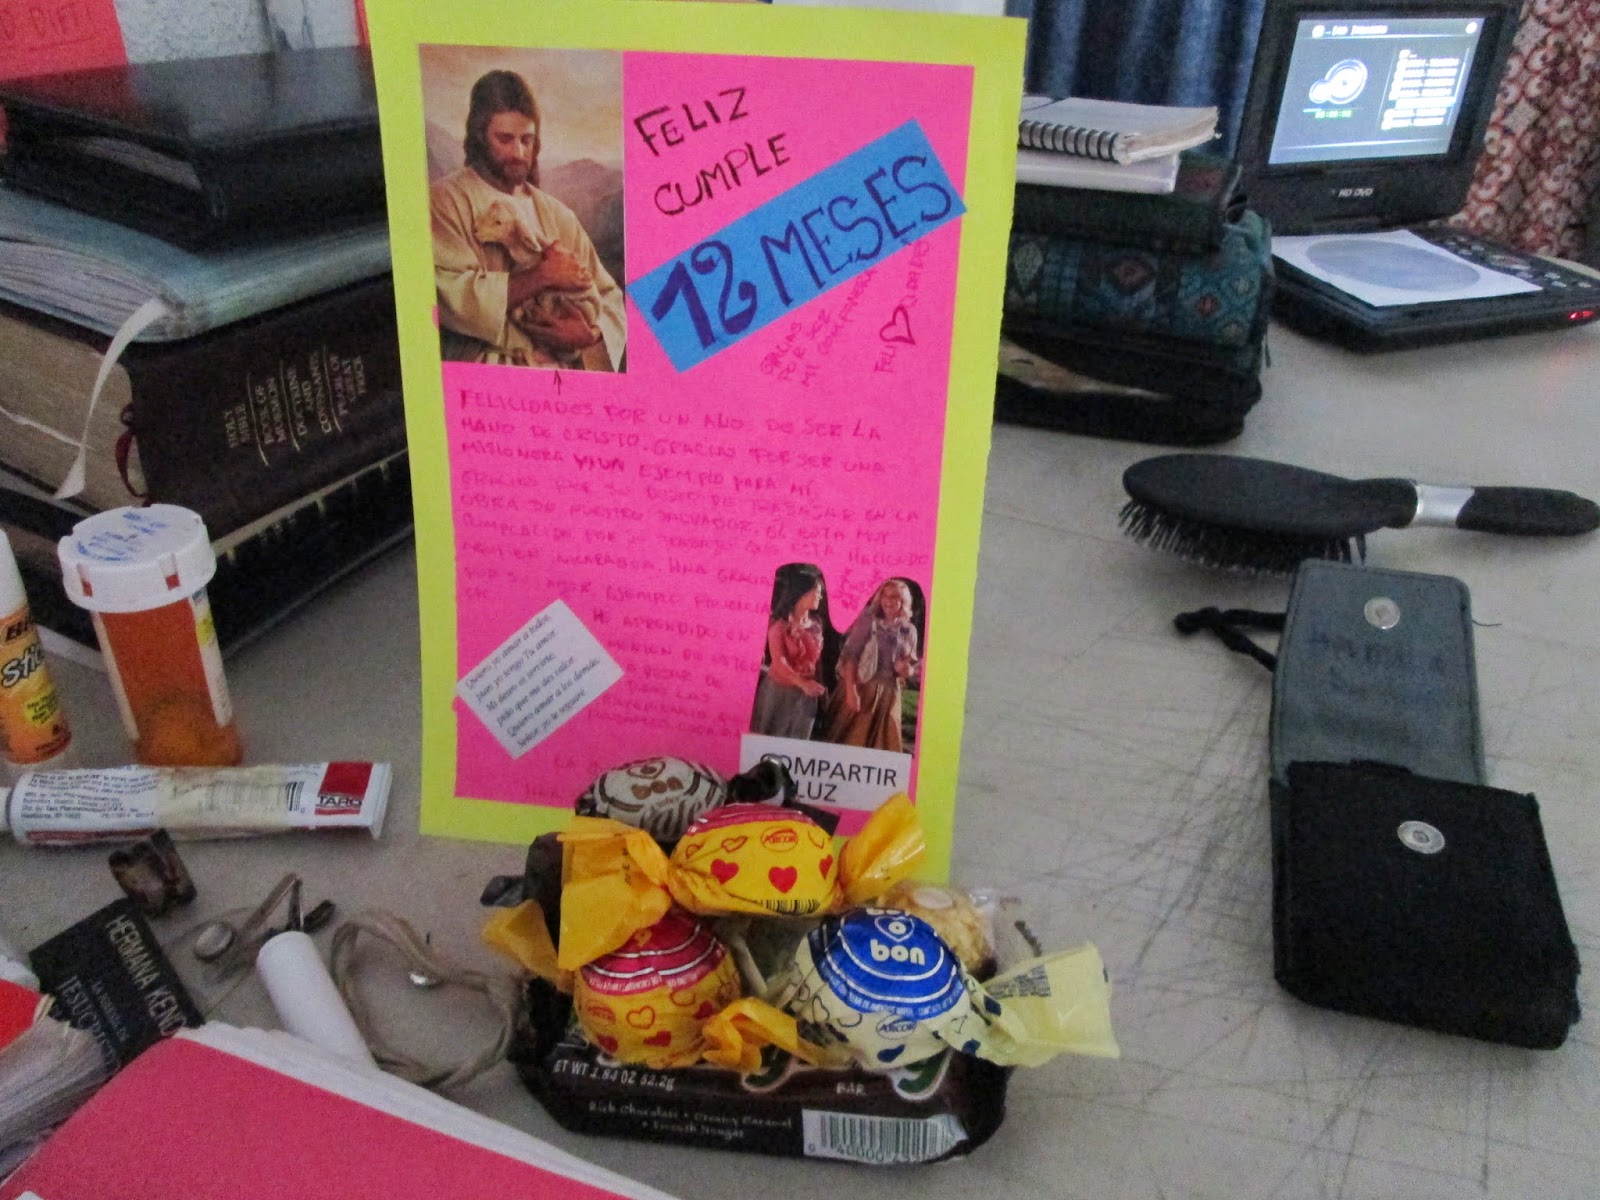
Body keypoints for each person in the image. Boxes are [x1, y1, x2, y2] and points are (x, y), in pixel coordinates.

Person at [430, 70, 626, 370]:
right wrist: (543, 275)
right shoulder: (445, 201)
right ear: (480, 136)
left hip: (560, 375)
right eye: (505, 139)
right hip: (486, 374)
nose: (518, 153)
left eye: (527, 140)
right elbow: (450, 297)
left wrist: (589, 335)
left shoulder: (557, 214)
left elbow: (608, 295)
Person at [821, 578, 921, 752]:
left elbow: (909, 665)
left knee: (884, 744)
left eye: (894, 597)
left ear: (903, 601)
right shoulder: (868, 621)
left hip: (889, 693)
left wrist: (907, 670)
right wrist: (851, 692)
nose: (888, 601)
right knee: (848, 739)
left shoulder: (909, 630)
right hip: (861, 686)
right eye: (885, 596)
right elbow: (851, 657)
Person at [750, 564, 832, 740]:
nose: (820, 596)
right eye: (817, 592)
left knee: (796, 740)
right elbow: (779, 663)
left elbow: (816, 662)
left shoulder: (816, 625)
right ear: (803, 593)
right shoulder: (779, 627)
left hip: (805, 695)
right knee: (771, 736)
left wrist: (820, 685)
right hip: (779, 693)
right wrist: (802, 683)